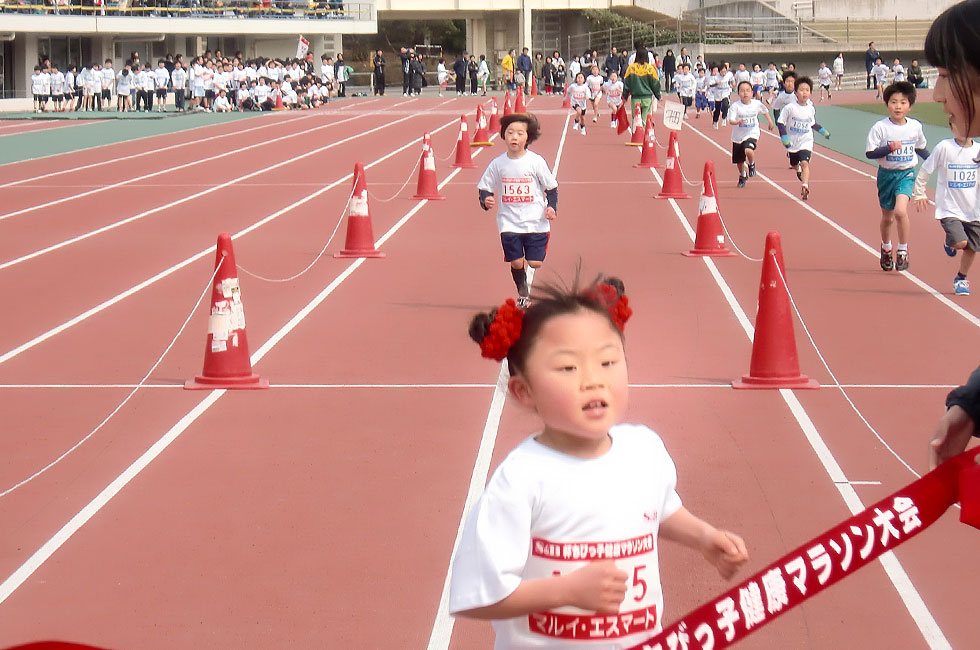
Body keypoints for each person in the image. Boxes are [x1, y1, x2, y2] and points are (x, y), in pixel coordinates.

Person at [450, 274, 749, 646]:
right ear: (524, 391)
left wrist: (703, 536)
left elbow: (659, 508)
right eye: (568, 368)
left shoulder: (644, 450)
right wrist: (567, 592)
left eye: (608, 361)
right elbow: (477, 596)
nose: (594, 380)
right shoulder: (522, 479)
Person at [477, 113, 559, 308]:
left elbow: (551, 187)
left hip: (535, 221)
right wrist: (485, 200)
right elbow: (485, 186)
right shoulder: (498, 163)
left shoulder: (535, 161)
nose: (514, 137)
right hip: (508, 221)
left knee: (534, 263)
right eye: (510, 132)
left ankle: (529, 274)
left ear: (528, 138)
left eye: (519, 133)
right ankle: (523, 291)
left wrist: (551, 207)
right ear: (503, 136)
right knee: (515, 262)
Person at [865, 81, 929, 272]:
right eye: (893, 102)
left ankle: (902, 250)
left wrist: (935, 160)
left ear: (910, 105)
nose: (898, 106)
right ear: (887, 105)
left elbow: (920, 148)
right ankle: (886, 248)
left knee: (901, 212)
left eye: (903, 102)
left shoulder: (915, 127)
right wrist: (889, 148)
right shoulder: (880, 128)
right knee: (888, 217)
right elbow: (870, 153)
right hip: (886, 175)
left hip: (906, 174)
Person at [913, 133, 979, 294]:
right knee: (960, 243)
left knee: (971, 248)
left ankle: (961, 279)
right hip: (949, 207)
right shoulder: (945, 147)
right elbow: (926, 169)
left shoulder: (978, 150)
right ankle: (951, 241)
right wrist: (920, 193)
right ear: (952, 127)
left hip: (973, 209)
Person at [778, 76, 832, 201]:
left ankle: (805, 186)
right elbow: (781, 123)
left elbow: (812, 123)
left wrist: (823, 131)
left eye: (807, 90)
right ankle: (798, 171)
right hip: (792, 142)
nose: (804, 93)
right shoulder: (789, 108)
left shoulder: (811, 108)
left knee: (805, 163)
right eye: (801, 90)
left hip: (806, 140)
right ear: (796, 93)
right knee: (794, 163)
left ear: (811, 93)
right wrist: (784, 137)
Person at [728, 80, 776, 188]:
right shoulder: (735, 106)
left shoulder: (756, 104)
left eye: (748, 91)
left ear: (752, 93)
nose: (745, 93)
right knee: (739, 161)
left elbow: (764, 111)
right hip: (738, 137)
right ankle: (742, 175)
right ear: (738, 93)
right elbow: (730, 121)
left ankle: (752, 164)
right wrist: (738, 122)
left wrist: (770, 121)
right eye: (742, 91)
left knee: (748, 150)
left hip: (752, 133)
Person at [622, 47, 661, 126]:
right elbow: (655, 83)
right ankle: (644, 134)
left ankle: (636, 135)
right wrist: (658, 95)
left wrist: (625, 96)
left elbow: (626, 83)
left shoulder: (631, 68)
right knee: (645, 118)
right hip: (647, 97)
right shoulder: (650, 69)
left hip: (635, 97)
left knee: (635, 118)